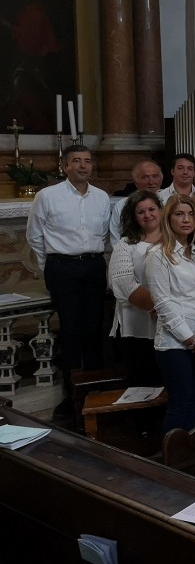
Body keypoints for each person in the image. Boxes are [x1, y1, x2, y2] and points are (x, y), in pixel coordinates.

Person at [26, 145, 110, 418]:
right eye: (76, 161)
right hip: (62, 267)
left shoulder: (101, 197)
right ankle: (72, 395)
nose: (83, 166)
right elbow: (34, 236)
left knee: (95, 328)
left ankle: (96, 390)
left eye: (87, 161)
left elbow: (106, 235)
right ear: (65, 166)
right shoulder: (47, 196)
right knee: (71, 331)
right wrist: (51, 266)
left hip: (94, 265)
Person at [144, 195, 195, 434]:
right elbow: (163, 304)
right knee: (180, 402)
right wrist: (191, 339)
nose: (186, 220)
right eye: (179, 214)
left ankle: (190, 456)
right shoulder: (159, 255)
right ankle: (171, 463)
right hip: (175, 343)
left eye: (190, 214)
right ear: (168, 219)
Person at [108, 190, 163, 387]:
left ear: (161, 211)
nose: (148, 215)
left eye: (152, 209)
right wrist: (163, 309)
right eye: (140, 212)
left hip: (174, 325)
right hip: (138, 325)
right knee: (144, 383)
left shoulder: (176, 240)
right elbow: (124, 284)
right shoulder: (125, 245)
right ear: (133, 216)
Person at [109, 159, 163, 241]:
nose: (151, 182)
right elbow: (115, 238)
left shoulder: (170, 201)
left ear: (161, 179)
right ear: (135, 181)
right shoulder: (122, 205)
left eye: (155, 176)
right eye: (145, 177)